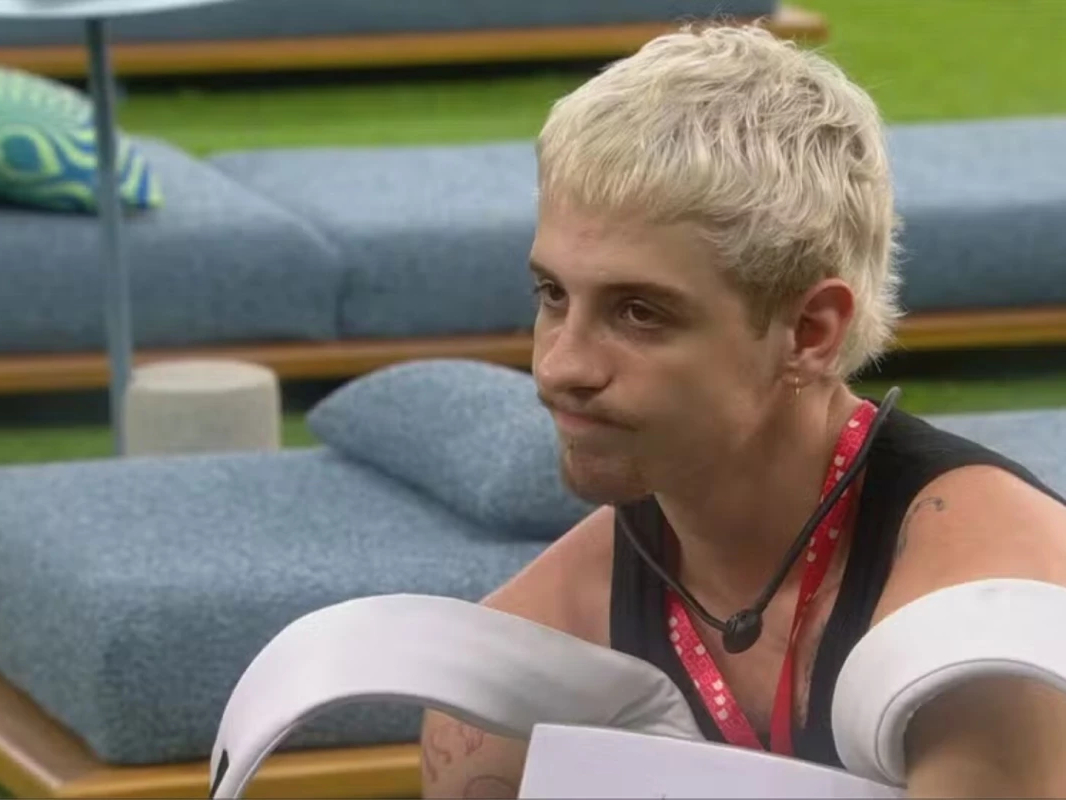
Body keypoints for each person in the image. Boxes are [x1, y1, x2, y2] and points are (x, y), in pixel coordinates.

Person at [419, 23, 1066, 800]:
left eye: (639, 313)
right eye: (553, 294)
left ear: (810, 332)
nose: (561, 365)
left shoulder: (994, 618)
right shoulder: (523, 655)